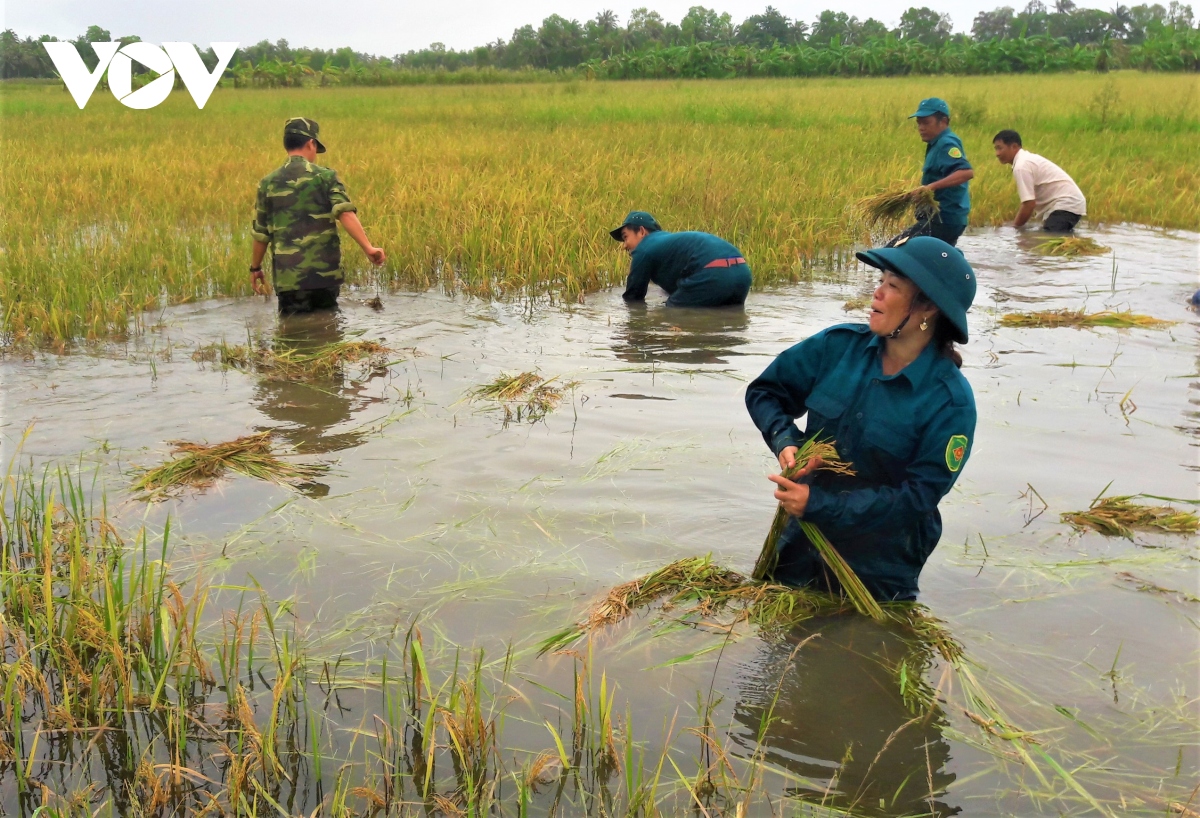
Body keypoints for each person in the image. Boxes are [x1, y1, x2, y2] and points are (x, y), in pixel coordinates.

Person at [745, 236, 977, 601]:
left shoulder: (950, 403)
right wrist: (786, 441)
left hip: (877, 567)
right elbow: (765, 393)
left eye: (893, 286)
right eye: (881, 280)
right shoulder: (836, 347)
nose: (877, 292)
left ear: (928, 305)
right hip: (799, 543)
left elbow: (917, 498)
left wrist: (820, 505)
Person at [250, 117, 386, 314]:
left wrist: (255, 268)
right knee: (328, 330)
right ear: (311, 143)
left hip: (289, 280)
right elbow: (344, 212)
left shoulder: (268, 183)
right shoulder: (326, 177)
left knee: (292, 335)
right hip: (325, 276)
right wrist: (368, 248)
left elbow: (261, 234)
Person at [610, 211, 752, 307]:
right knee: (730, 317)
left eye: (625, 237)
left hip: (714, 274)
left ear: (641, 231)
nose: (624, 246)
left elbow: (633, 297)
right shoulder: (669, 244)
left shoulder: (644, 249)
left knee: (674, 313)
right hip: (742, 273)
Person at [893, 98, 974, 248]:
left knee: (893, 254)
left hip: (943, 221)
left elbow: (966, 172)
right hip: (944, 220)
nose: (921, 128)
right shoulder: (937, 143)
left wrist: (929, 188)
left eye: (926, 123)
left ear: (943, 121)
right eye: (919, 123)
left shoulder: (946, 143)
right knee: (931, 263)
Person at [992, 130, 1087, 233]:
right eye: (996, 149)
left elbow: (1029, 204)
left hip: (1066, 204)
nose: (997, 154)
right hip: (1068, 204)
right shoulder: (1025, 161)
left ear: (1014, 147)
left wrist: (1015, 228)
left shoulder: (1022, 166)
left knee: (1049, 239)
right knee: (1053, 241)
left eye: (1000, 148)